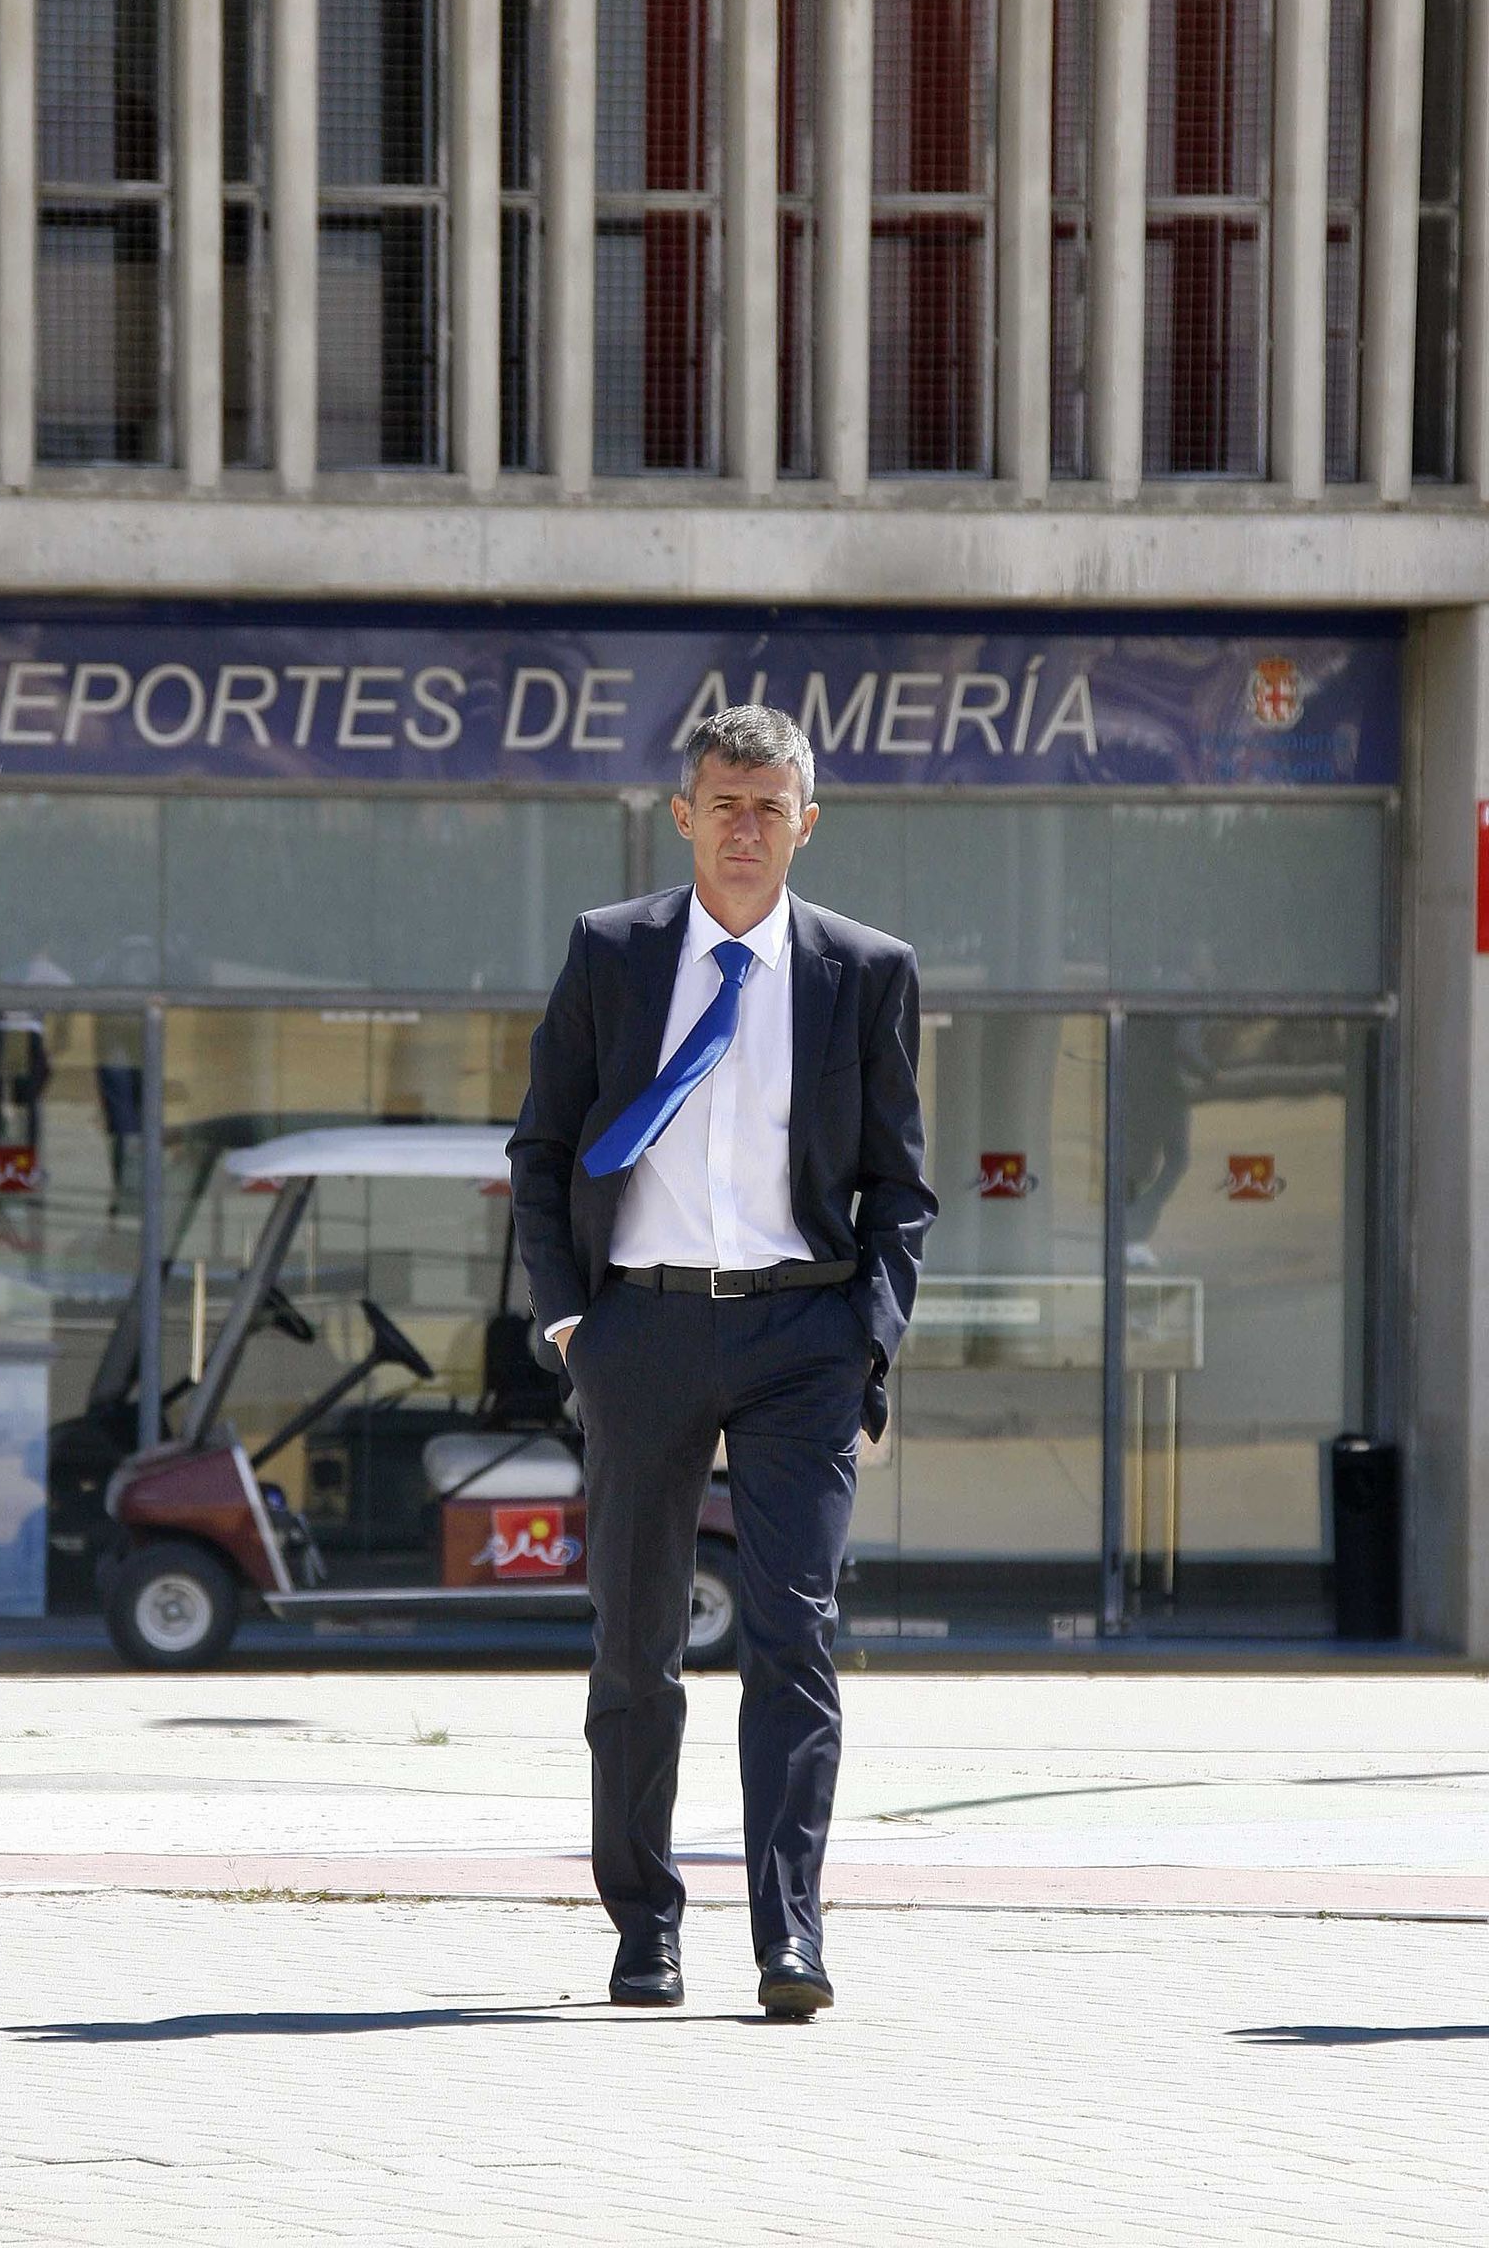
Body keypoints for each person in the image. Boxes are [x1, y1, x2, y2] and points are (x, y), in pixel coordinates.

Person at [508, 704, 936, 2019]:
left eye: (772, 805)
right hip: (643, 1330)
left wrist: (867, 1340)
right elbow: (541, 1149)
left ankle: (788, 1939)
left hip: (803, 1336)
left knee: (790, 1632)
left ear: (808, 822)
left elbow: (899, 1190)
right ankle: (645, 1929)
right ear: (682, 815)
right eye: (725, 802)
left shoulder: (865, 972)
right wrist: (577, 1322)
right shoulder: (612, 955)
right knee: (636, 1644)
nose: (747, 827)